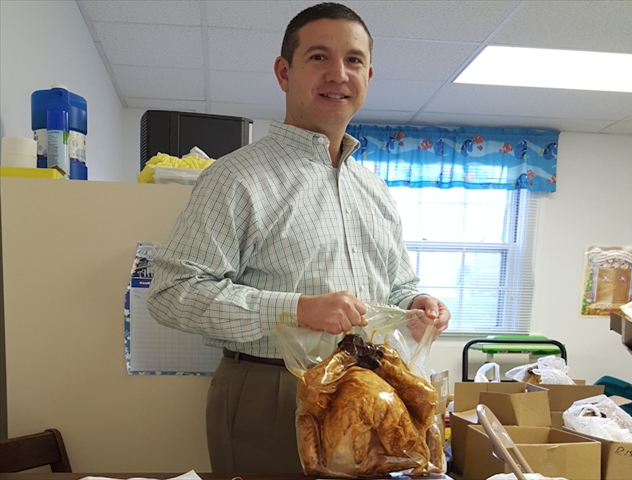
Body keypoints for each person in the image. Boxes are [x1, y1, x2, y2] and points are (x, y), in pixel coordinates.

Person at [147, 2, 450, 474]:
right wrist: (296, 309)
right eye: (318, 57)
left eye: (352, 60)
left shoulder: (374, 188)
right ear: (284, 72)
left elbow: (396, 284)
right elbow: (171, 295)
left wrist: (418, 302)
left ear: (369, 74)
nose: (338, 74)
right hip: (271, 393)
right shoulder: (236, 178)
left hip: (369, 388)